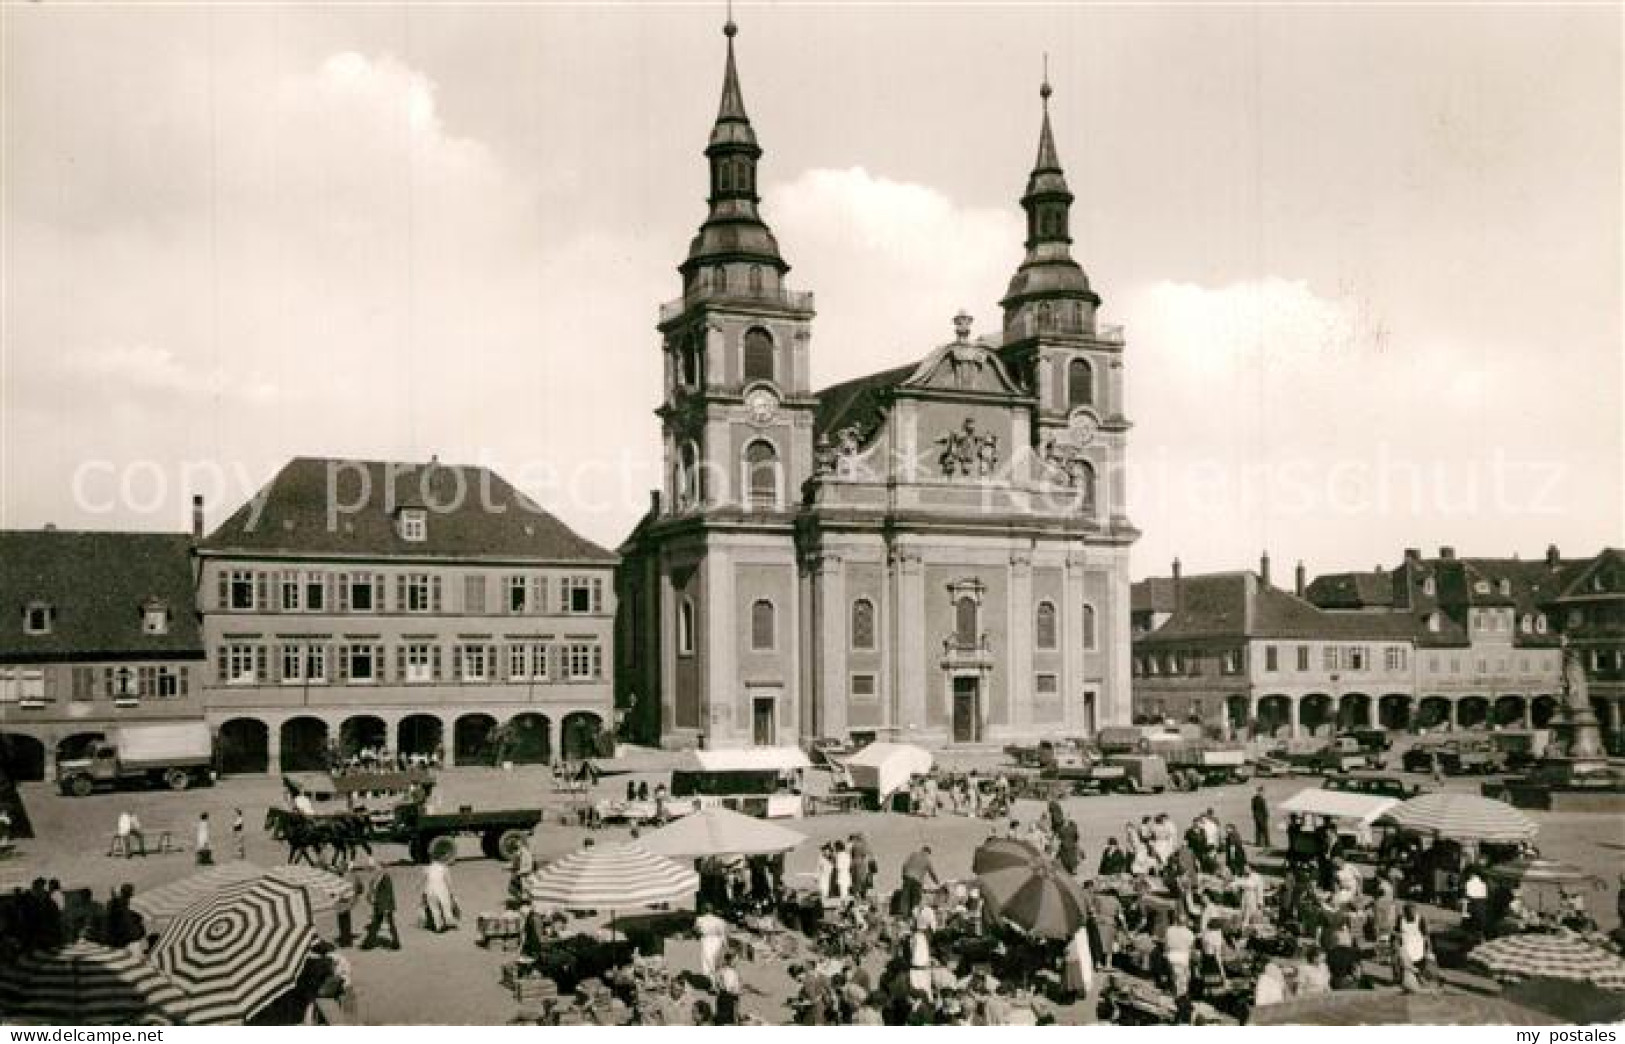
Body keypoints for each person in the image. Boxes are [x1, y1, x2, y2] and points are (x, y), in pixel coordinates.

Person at [360, 869, 400, 950]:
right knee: (376, 924)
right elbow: (373, 891)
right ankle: (368, 943)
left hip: (386, 905)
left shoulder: (386, 878)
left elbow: (388, 893)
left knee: (388, 924)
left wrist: (385, 908)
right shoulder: (376, 878)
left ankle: (395, 943)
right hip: (379, 905)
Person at [900, 845, 940, 915]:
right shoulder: (927, 860)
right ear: (928, 853)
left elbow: (904, 865)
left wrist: (903, 875)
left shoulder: (913, 855)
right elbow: (932, 873)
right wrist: (937, 882)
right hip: (917, 881)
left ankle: (904, 915)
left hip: (908, 878)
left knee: (905, 898)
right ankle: (914, 916)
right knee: (915, 900)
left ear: (922, 850)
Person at [714, 951, 742, 1025]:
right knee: (730, 1020)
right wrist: (739, 992)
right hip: (729, 998)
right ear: (730, 960)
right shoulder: (731, 972)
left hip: (722, 997)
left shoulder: (722, 970)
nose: (737, 962)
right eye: (735, 959)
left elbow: (717, 984)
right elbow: (729, 988)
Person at [1463, 866, 1489, 937]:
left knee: (1471, 930)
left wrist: (1465, 914)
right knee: (1479, 928)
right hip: (1481, 906)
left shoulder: (1469, 883)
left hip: (1473, 905)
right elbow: (1485, 897)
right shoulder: (1484, 884)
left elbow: (1467, 899)